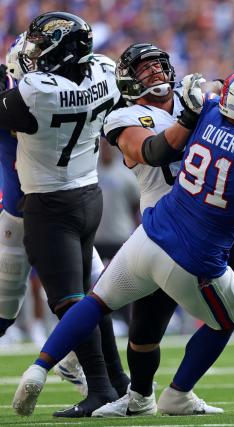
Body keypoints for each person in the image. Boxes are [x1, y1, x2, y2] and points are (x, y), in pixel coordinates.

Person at [11, 67, 234, 418]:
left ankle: (41, 367)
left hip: (159, 228)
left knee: (100, 302)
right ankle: (159, 394)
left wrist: (200, 99)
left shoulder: (205, 108)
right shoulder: (132, 117)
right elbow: (155, 151)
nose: (155, 74)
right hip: (192, 242)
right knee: (179, 327)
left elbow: (215, 96)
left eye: (159, 66)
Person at [0, 19, 130, 417]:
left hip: (39, 208)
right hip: (84, 195)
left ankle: (103, 386)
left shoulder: (30, 95)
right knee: (93, 299)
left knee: (67, 302)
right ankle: (117, 382)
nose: (33, 59)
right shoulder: (103, 75)